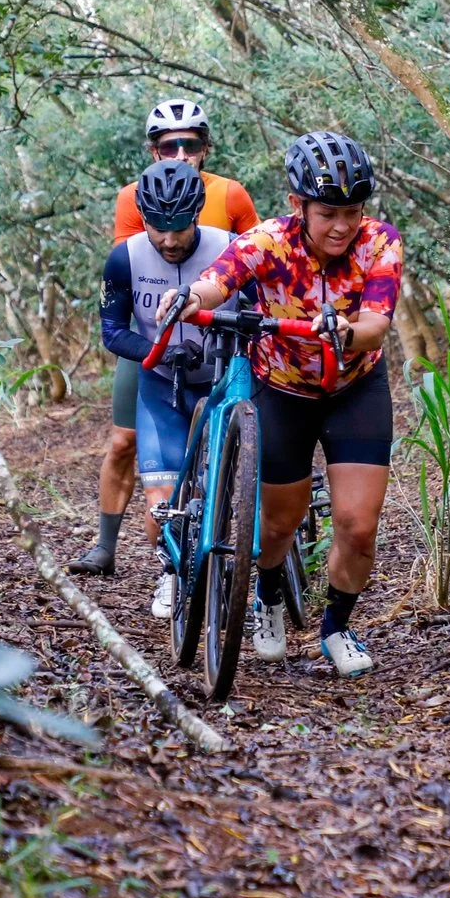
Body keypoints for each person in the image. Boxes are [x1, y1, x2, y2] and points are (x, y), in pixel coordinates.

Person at [174, 131, 400, 678]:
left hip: (355, 388)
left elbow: (377, 323)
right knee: (278, 524)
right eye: (328, 212)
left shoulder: (379, 242)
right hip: (282, 388)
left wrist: (345, 332)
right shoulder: (266, 242)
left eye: (352, 211)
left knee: (357, 524)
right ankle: (268, 596)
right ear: (297, 205)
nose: (341, 225)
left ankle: (336, 627)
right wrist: (188, 299)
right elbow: (217, 280)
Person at [74, 99, 260, 578]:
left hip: (220, 341)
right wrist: (156, 345)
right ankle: (107, 544)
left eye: (190, 143)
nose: (179, 152)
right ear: (153, 151)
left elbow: (258, 265)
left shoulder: (232, 196)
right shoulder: (132, 199)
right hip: (154, 340)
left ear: (205, 148)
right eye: (168, 145)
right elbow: (135, 281)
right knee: (124, 441)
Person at [92, 159, 234, 619]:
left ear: (198, 215)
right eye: (158, 228)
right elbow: (112, 331)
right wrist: (156, 351)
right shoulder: (125, 258)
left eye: (179, 228)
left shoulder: (228, 248)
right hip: (159, 382)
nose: (169, 241)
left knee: (235, 482)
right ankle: (170, 572)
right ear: (144, 219)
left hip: (218, 379)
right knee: (161, 508)